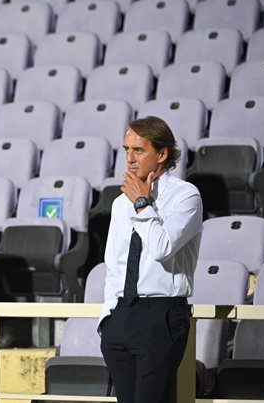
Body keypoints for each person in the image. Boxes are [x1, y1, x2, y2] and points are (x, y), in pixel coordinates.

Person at [98, 116, 203, 403]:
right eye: (126, 150)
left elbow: (162, 247)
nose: (130, 159)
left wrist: (142, 204)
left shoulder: (185, 196)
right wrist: (108, 318)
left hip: (161, 315)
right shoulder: (121, 203)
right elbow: (114, 264)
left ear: (162, 154)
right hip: (121, 317)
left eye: (139, 150)